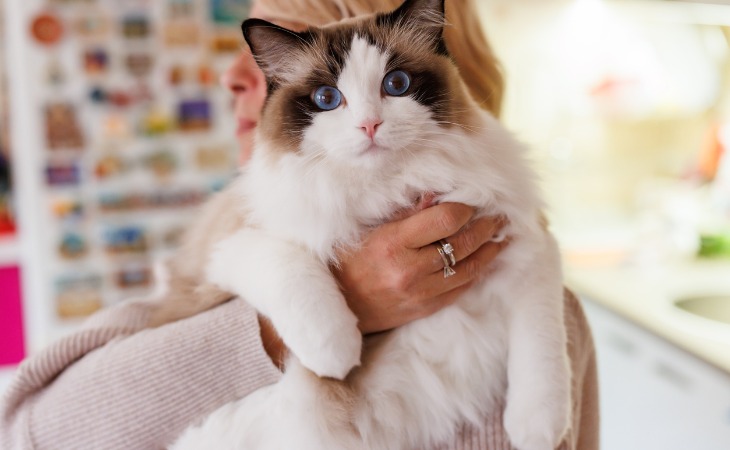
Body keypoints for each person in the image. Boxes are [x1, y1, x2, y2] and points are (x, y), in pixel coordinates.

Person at [0, 0, 599, 449]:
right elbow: (32, 432)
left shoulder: (543, 310)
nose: (232, 77)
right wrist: (285, 324)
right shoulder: (232, 245)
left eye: (262, 69)